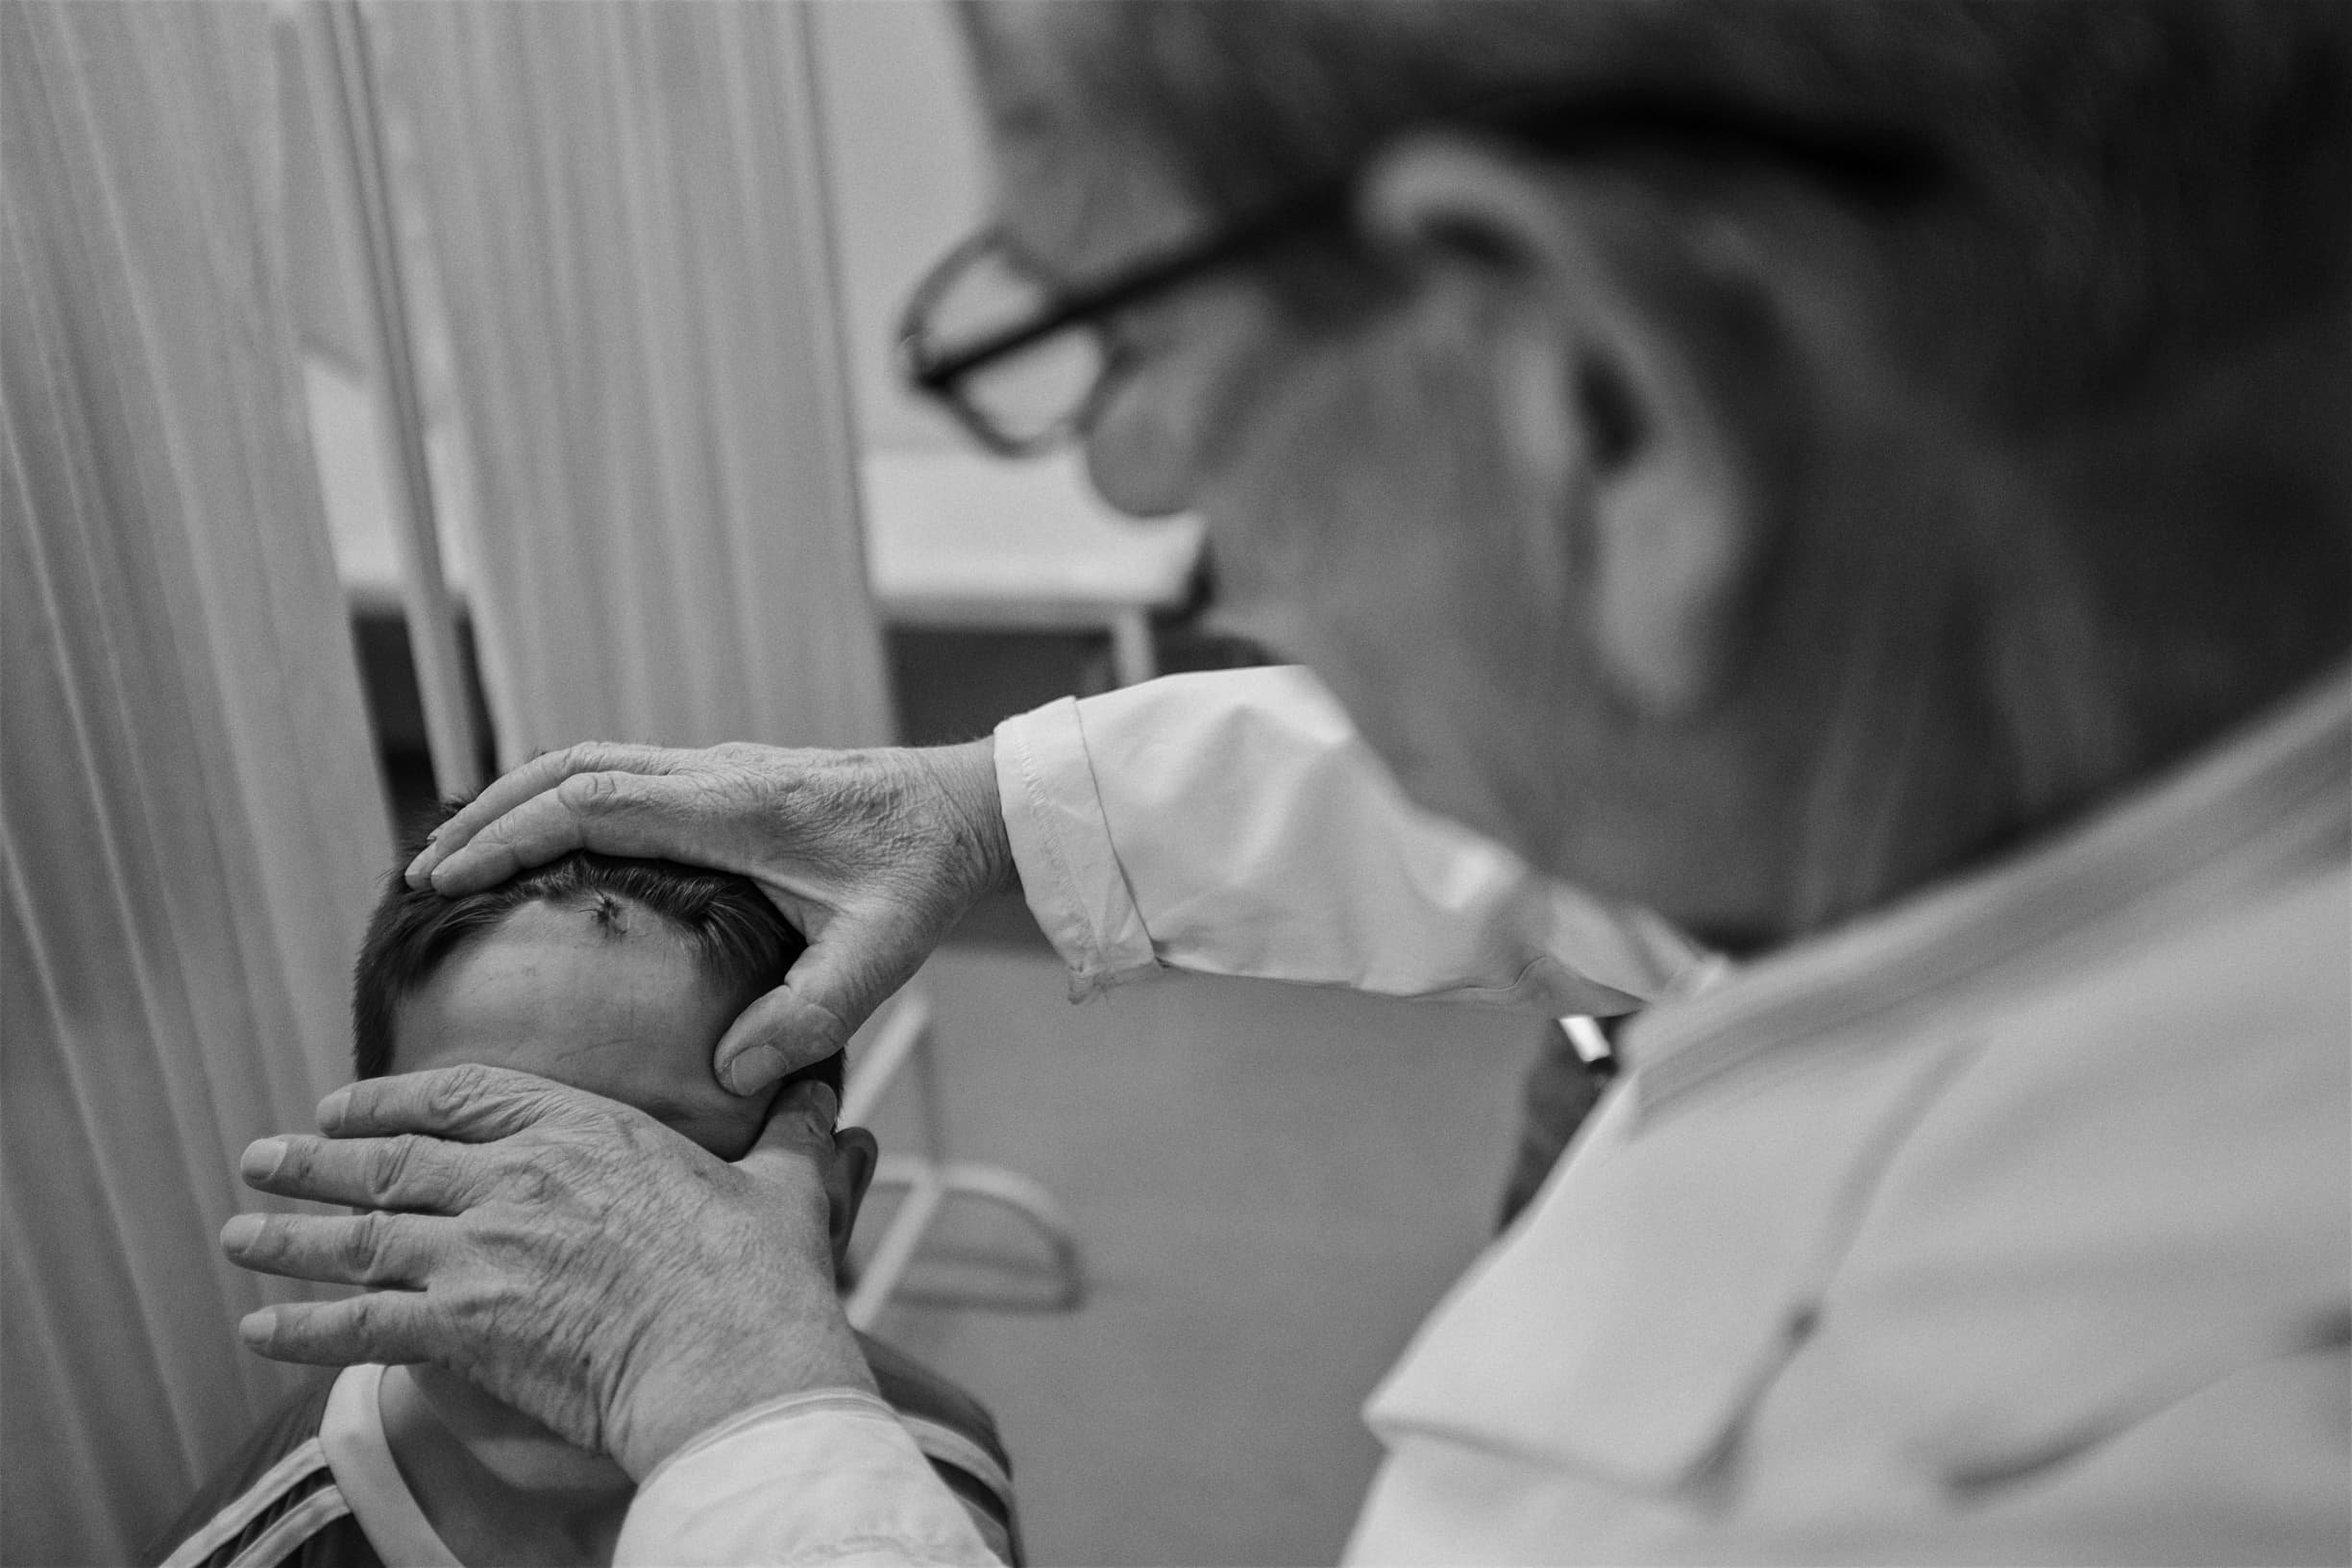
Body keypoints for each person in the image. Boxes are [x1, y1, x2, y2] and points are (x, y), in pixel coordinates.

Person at [222, 2, 2349, 1562]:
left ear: (1605, 400)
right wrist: (1004, 804)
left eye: (1130, 339)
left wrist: (747, 1422)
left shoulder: (2063, 1466)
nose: (1138, 482)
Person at [163, 828, 1019, 1566]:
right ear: (369, 1190)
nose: (555, 1265)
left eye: (666, 1174)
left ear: (824, 1212)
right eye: (473, 1160)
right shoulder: (260, 1544)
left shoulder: (934, 1469)